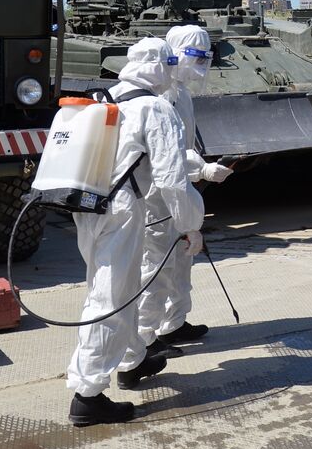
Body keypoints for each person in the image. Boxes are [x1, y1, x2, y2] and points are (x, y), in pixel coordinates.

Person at [66, 38, 200, 427]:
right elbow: (172, 181)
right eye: (171, 63)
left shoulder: (106, 99)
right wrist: (191, 225)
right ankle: (87, 396)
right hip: (122, 209)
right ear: (160, 66)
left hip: (88, 207)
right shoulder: (155, 108)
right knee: (111, 300)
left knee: (109, 289)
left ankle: (131, 360)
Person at [126, 23, 233, 357]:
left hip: (178, 187)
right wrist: (201, 169)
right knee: (155, 267)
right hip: (156, 196)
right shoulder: (158, 95)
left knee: (182, 261)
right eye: (195, 57)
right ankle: (145, 338)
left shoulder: (183, 93)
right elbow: (164, 155)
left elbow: (183, 145)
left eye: (206, 58)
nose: (200, 66)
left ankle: (174, 323)